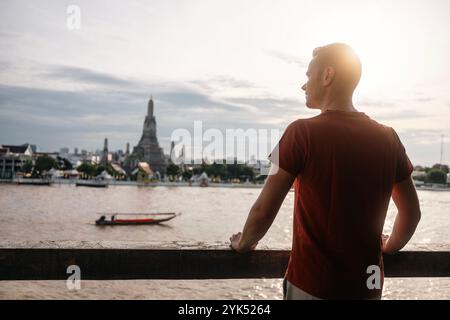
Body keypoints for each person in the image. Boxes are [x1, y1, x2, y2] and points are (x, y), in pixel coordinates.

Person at [229, 43, 421, 300]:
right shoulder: (388, 138)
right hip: (368, 287)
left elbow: (263, 211)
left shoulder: (301, 133)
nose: (303, 85)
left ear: (327, 75)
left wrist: (244, 243)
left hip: (313, 285)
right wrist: (389, 246)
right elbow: (411, 214)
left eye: (308, 76)